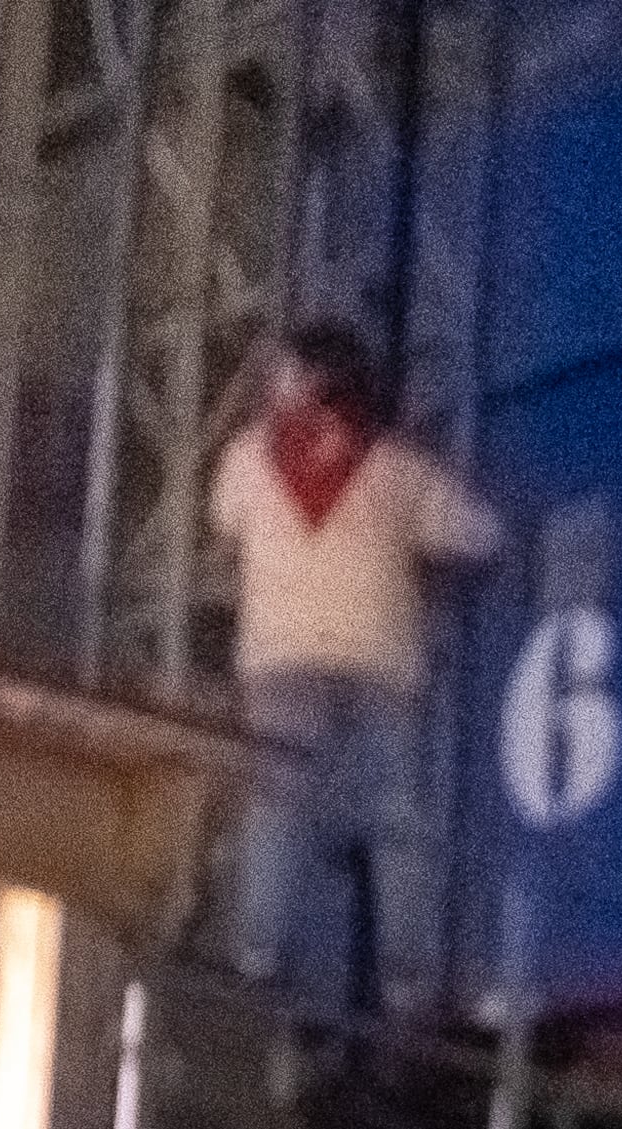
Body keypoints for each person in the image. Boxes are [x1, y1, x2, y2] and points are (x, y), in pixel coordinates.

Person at [205, 320, 499, 1022]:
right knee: (397, 821)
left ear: (310, 380)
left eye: (284, 371)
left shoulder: (249, 460)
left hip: (279, 662)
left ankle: (258, 956)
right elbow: (476, 535)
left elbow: (222, 521)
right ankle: (410, 986)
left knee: (277, 810)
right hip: (378, 660)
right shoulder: (394, 468)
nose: (273, 383)